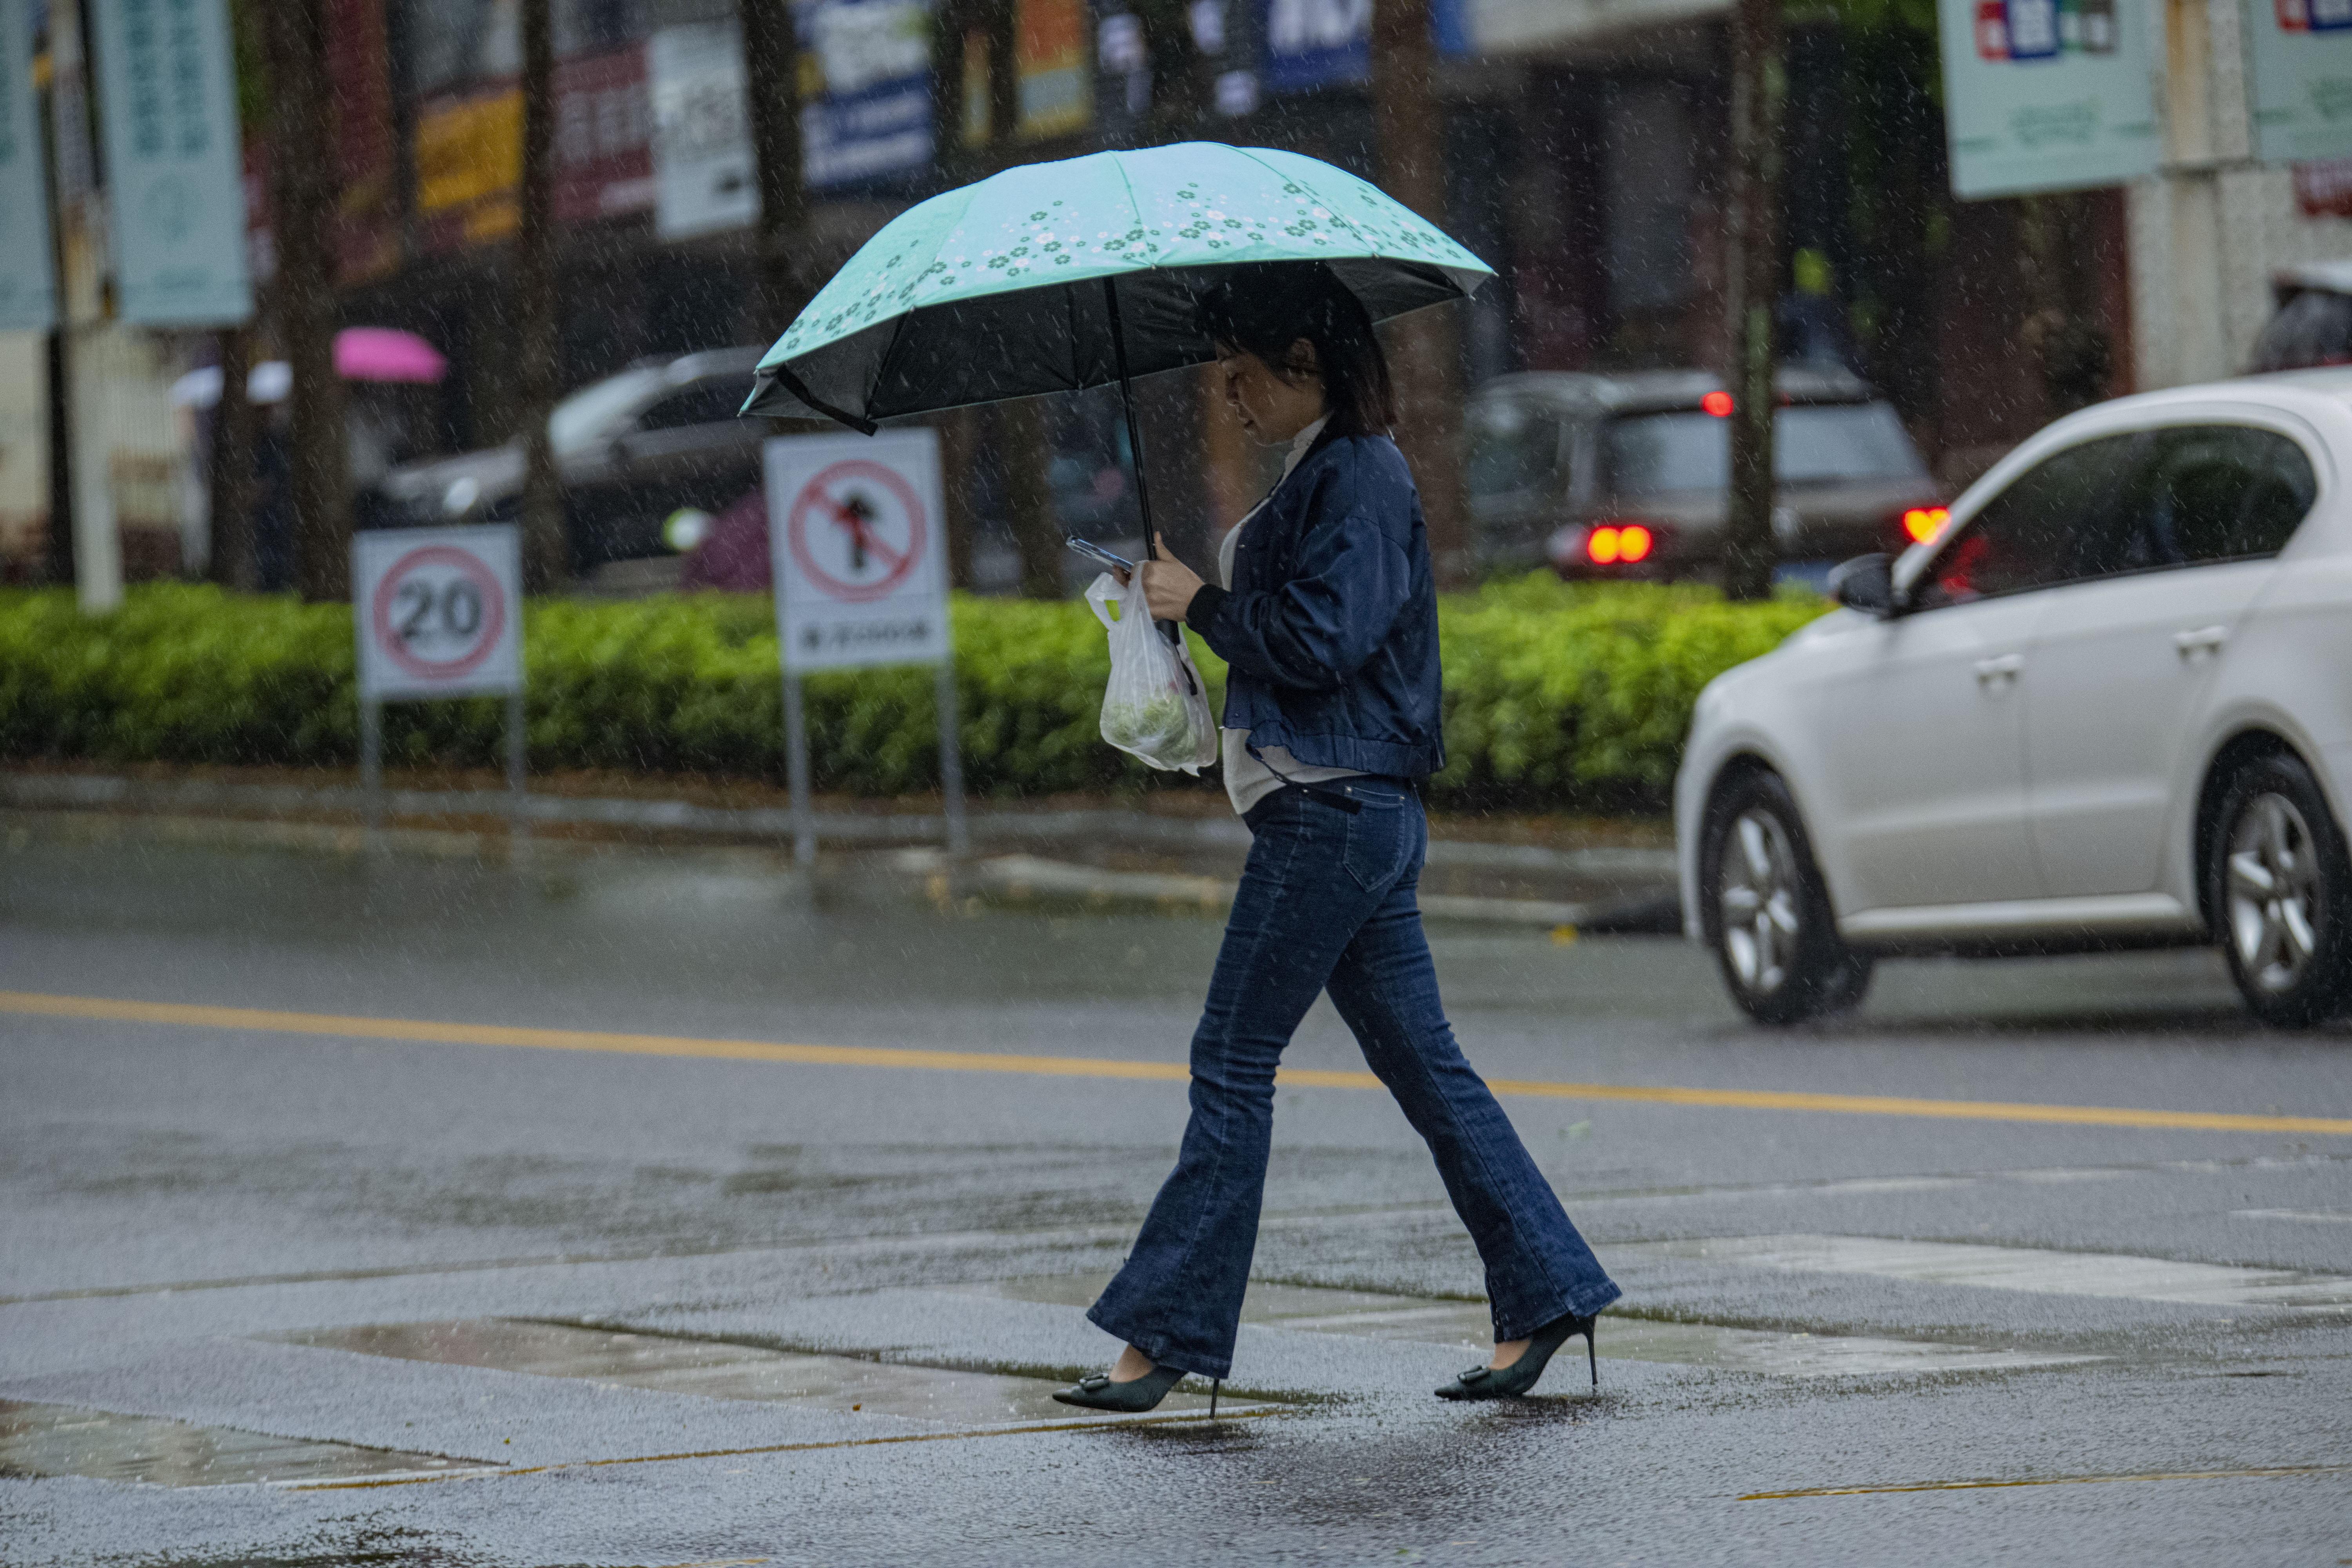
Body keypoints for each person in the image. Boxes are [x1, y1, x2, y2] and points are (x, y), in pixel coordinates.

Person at [1053, 263, 1620, 1413]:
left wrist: (1201, 606)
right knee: (1426, 1067)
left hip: (1333, 811)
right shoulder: (1333, 473)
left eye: (1244, 371)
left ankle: (1162, 1337)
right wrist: (1182, 602)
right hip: (1350, 811)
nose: (1229, 394)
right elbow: (1307, 634)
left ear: (1305, 364)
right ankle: (1549, 1288)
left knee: (1231, 1058)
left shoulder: (1360, 475)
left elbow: (1322, 642)